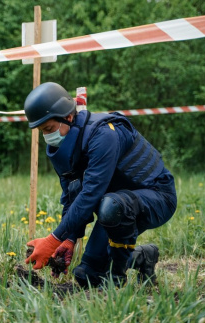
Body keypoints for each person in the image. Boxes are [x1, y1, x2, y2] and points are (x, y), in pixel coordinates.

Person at [24, 82, 177, 287]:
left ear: (68, 117)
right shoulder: (61, 149)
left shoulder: (104, 135)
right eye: (42, 131)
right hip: (116, 203)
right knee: (87, 275)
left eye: (49, 128)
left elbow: (90, 194)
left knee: (111, 205)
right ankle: (143, 257)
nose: (47, 136)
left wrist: (53, 239)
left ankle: (116, 284)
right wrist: (69, 239)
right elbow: (72, 196)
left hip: (157, 197)